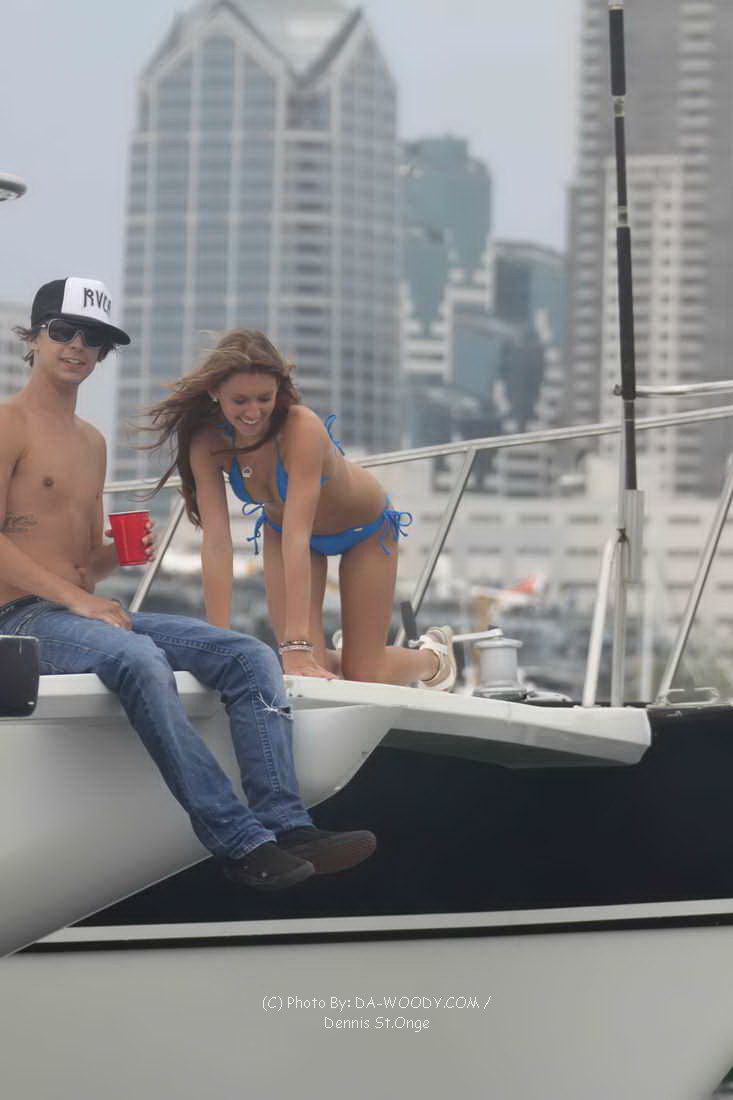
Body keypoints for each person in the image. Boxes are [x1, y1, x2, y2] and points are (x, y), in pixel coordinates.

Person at [0, 277, 376, 891]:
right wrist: (79, 598)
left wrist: (115, 557)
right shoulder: (6, 424)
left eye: (93, 338)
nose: (77, 346)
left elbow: (81, 563)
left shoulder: (92, 443)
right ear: (34, 337)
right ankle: (238, 841)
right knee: (140, 659)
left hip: (80, 613)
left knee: (248, 656)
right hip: (19, 618)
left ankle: (288, 824)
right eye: (63, 331)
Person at [145, 329, 456, 689]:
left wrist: (296, 646)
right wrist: (217, 643)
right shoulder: (207, 442)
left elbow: (299, 536)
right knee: (303, 670)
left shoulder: (301, 428)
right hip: (282, 532)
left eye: (264, 398)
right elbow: (217, 545)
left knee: (364, 673)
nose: (253, 412)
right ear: (215, 392)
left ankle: (435, 658)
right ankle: (339, 654)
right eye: (240, 400)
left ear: (279, 390)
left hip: (365, 532)